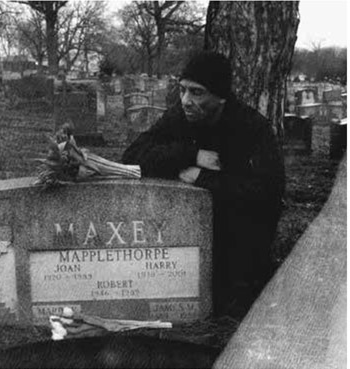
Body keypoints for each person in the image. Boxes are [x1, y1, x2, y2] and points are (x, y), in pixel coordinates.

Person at [122, 51, 285, 317]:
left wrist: (203, 178)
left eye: (197, 93)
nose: (186, 101)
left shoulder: (253, 128)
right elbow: (132, 156)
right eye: (183, 90)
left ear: (221, 96)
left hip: (238, 241)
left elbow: (268, 193)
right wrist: (190, 154)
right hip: (188, 231)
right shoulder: (181, 116)